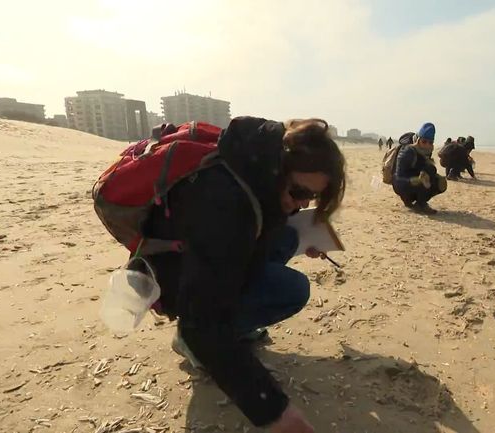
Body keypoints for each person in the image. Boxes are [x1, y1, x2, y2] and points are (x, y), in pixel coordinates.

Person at [141, 116, 346, 433]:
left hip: (205, 259)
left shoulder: (255, 165)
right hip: (179, 282)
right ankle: (191, 343)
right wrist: (275, 411)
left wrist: (303, 239)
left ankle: (236, 324)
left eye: (312, 197)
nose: (302, 203)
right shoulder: (225, 202)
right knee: (292, 289)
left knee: (289, 237)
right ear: (279, 168)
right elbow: (202, 324)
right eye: (298, 191)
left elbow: (265, 222)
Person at [391, 122, 446, 214]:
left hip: (417, 184)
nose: (427, 145)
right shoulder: (407, 152)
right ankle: (416, 203)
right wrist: (416, 180)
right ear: (418, 140)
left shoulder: (427, 152)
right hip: (403, 185)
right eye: (424, 142)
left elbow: (429, 170)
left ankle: (420, 202)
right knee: (424, 178)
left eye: (430, 142)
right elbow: (397, 178)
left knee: (440, 182)